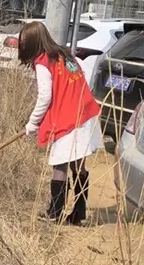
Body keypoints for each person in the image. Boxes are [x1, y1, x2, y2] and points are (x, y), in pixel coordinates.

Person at [17, 21, 102, 225]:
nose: (21, 44)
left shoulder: (43, 62)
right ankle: (78, 214)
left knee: (60, 165)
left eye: (23, 41)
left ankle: (55, 213)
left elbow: (45, 96)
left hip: (69, 119)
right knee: (78, 164)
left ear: (33, 42)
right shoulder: (65, 55)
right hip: (86, 113)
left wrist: (32, 123)